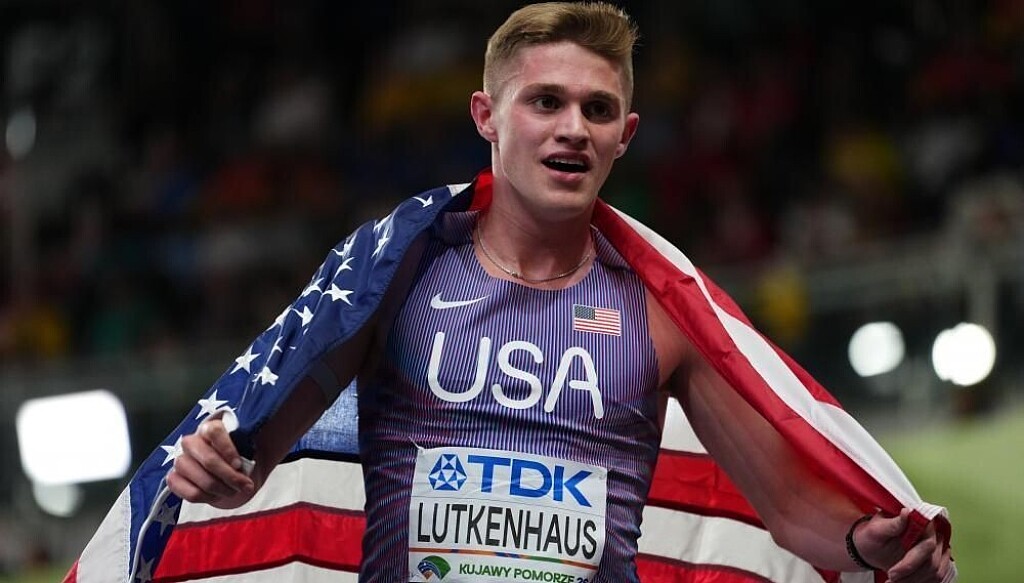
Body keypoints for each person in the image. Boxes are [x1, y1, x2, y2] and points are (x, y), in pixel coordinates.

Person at [162, 2, 954, 582]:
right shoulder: (395, 275)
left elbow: (788, 510)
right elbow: (251, 458)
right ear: (488, 116)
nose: (573, 127)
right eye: (546, 101)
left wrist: (860, 546)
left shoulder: (661, 311)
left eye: (597, 109)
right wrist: (218, 465)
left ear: (625, 135)